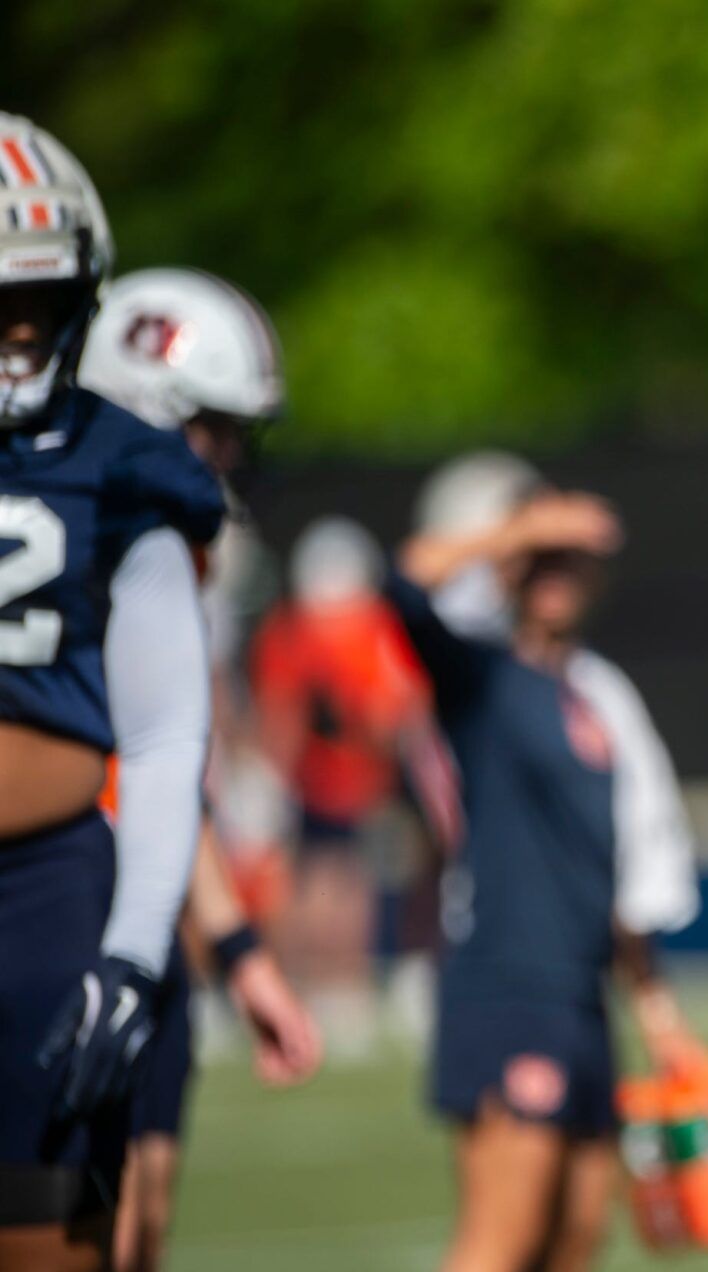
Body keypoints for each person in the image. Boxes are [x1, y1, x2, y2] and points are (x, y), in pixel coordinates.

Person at [0, 114, 223, 1270]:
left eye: (40, 298)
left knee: (53, 1245)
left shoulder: (125, 466)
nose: (22, 332)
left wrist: (135, 950)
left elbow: (165, 727)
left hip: (44, 898)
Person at [389, 478, 708, 1272]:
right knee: (503, 1236)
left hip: (580, 994)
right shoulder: (481, 675)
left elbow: (632, 868)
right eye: (540, 563)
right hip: (504, 984)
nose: (554, 578)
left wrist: (660, 1016)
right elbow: (404, 582)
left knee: (575, 1236)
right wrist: (513, 533)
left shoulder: (599, 695)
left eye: (571, 562)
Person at [79, 266, 325, 1272]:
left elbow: (165, 783)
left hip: (147, 923)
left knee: (140, 1232)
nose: (226, 461)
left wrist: (238, 952)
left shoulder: (180, 558)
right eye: (214, 431)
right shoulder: (56, 543)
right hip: (53, 915)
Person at [251, 514, 431, 1057]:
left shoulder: (325, 628)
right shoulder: (330, 630)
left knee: (338, 884)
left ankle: (337, 986)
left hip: (351, 780)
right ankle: (328, 986)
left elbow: (390, 712)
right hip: (328, 780)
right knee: (328, 886)